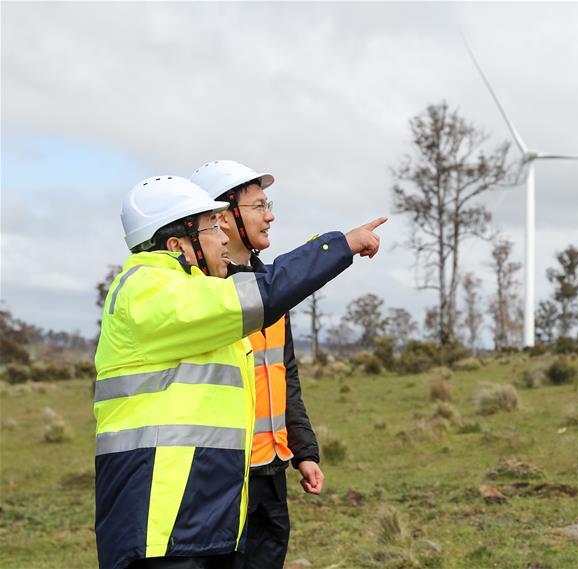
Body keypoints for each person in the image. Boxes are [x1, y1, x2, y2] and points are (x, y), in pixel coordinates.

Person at [95, 175, 385, 569]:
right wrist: (340, 245)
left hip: (194, 517)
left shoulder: (191, 292)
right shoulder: (151, 288)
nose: (221, 237)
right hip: (159, 521)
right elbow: (263, 293)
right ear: (177, 244)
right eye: (211, 228)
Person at [189, 160, 321, 568]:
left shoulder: (271, 291)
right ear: (222, 217)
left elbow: (285, 375)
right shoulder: (203, 294)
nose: (270, 215)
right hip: (222, 478)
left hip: (272, 472)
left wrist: (304, 451)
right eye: (259, 205)